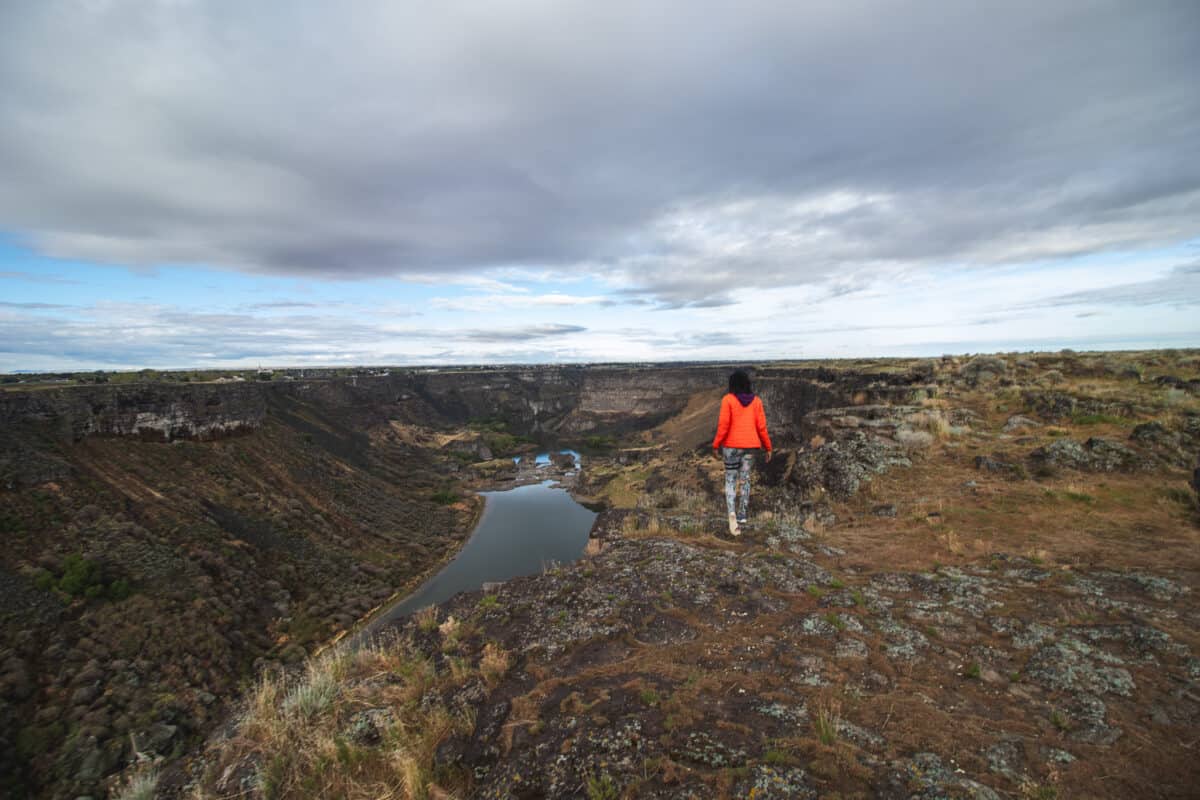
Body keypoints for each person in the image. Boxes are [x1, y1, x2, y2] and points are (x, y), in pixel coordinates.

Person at [712, 370, 772, 535]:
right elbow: (761, 427)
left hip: (731, 447)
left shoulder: (728, 400)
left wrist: (716, 445)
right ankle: (743, 514)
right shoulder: (757, 402)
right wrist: (768, 447)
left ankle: (731, 512)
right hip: (751, 446)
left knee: (730, 478)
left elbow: (724, 425)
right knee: (745, 480)